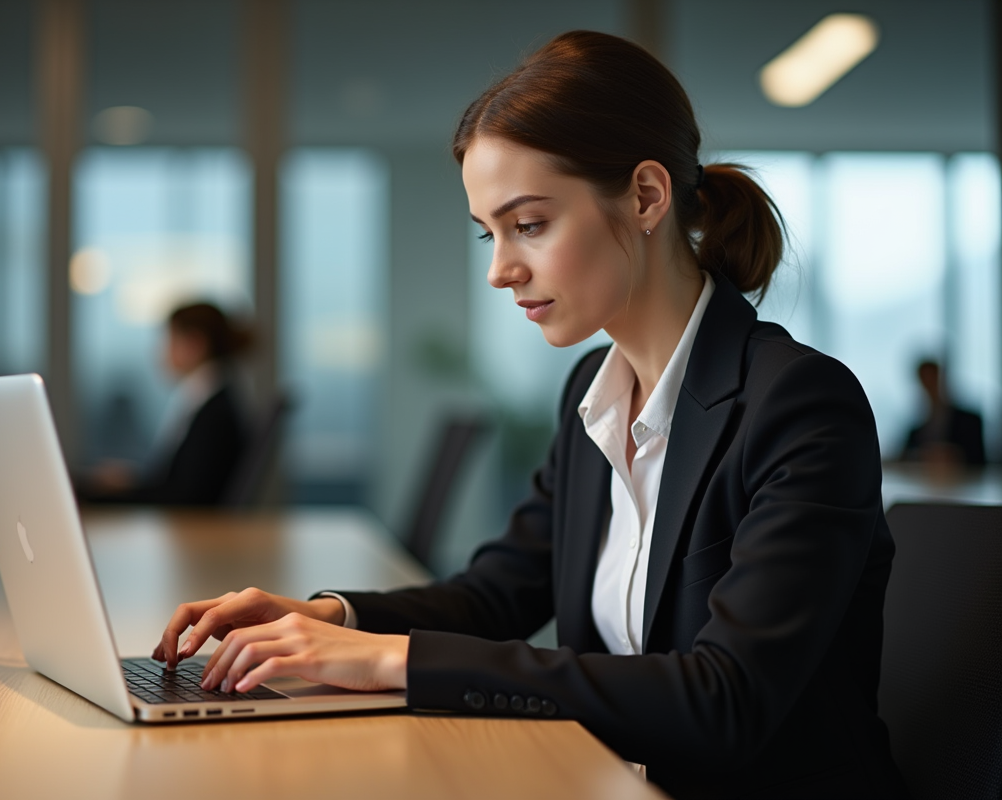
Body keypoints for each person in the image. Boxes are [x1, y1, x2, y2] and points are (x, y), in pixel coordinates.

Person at [152, 32, 907, 798]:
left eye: (530, 224)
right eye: (491, 232)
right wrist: (329, 619)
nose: (500, 269)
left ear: (646, 197)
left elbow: (724, 701)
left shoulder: (801, 405)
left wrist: (392, 662)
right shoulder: (595, 388)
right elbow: (498, 594)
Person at [86, 301, 250, 506]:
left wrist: (113, 493)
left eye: (169, 340)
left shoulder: (214, 413)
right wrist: (131, 481)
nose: (161, 352)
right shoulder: (205, 398)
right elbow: (178, 482)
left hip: (190, 531)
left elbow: (186, 496)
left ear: (194, 344)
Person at [901, 359, 986, 466]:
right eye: (925, 379)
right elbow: (904, 458)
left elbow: (978, 460)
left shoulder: (970, 422)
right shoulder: (916, 432)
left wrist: (953, 456)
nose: (930, 385)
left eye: (933, 378)